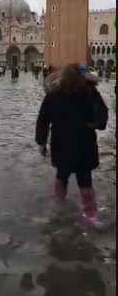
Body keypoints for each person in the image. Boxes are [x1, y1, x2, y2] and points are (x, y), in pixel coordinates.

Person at [35, 64, 108, 225]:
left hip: (77, 142)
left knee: (76, 178)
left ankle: (86, 212)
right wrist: (41, 141)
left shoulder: (87, 93)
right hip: (71, 142)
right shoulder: (83, 93)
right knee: (67, 176)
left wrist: (96, 123)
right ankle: (82, 211)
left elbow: (102, 112)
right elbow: (43, 120)